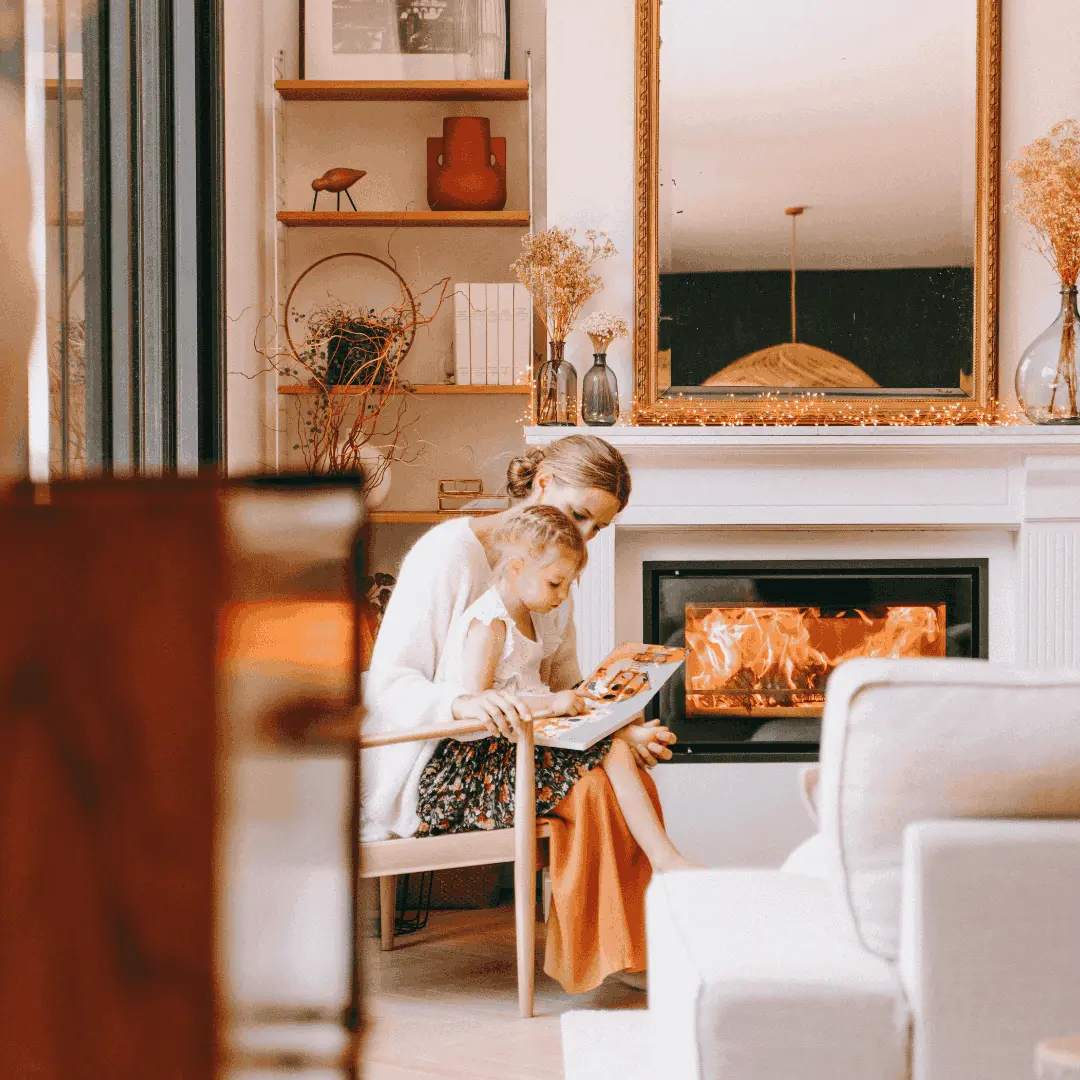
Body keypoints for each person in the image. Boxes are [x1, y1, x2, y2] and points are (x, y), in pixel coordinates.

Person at [361, 434, 695, 993]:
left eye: (598, 529)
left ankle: (640, 942)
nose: (584, 538)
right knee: (588, 790)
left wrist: (623, 727)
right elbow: (392, 682)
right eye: (579, 515)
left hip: (522, 738)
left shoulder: (552, 571)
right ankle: (617, 956)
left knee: (623, 768)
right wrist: (464, 702)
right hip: (439, 752)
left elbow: (564, 683)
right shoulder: (450, 556)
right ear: (543, 485)